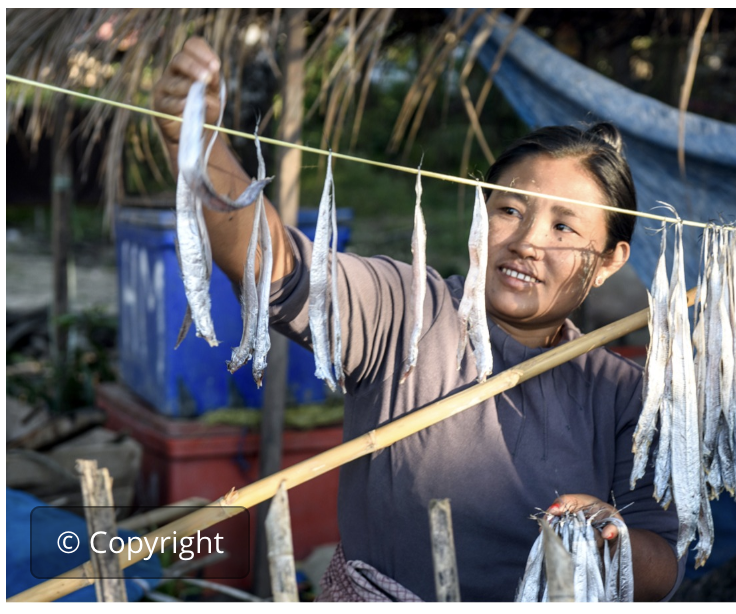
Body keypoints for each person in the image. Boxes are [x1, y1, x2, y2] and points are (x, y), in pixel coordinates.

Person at [154, 37, 683, 602]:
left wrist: (611, 537)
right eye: (509, 210)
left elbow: (662, 566)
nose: (528, 242)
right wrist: (200, 140)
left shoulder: (624, 394)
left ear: (608, 262)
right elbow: (272, 263)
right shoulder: (405, 309)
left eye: (564, 228)